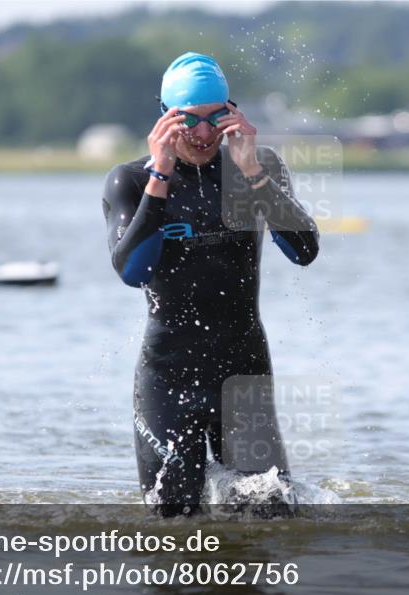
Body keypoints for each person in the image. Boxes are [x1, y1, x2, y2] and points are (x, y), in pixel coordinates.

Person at [102, 52, 319, 516]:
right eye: (188, 121)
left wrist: (253, 173)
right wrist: (160, 176)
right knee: (173, 525)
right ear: (164, 118)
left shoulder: (258, 168)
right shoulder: (130, 180)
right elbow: (132, 272)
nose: (203, 134)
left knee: (271, 518)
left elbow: (304, 250)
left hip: (243, 374)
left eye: (215, 119)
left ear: (232, 113)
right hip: (168, 379)